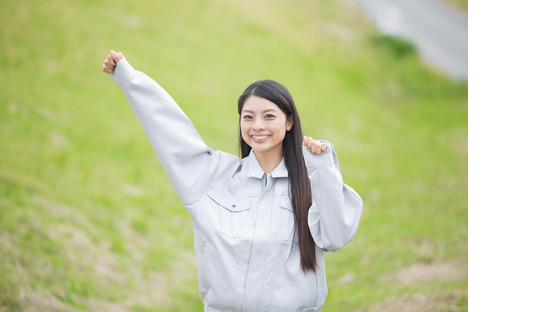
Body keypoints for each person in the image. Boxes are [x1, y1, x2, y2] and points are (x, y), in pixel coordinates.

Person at [102, 50, 363, 312]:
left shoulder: (312, 180)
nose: (257, 125)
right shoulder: (215, 176)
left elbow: (335, 237)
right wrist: (129, 79)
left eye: (269, 116)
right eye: (248, 117)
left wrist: (322, 168)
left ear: (289, 121)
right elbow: (170, 129)